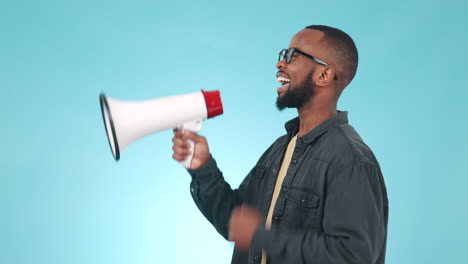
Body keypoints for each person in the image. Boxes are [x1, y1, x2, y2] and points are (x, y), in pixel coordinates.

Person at [172, 25, 388, 264]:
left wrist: (263, 237)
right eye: (282, 54)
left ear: (324, 75)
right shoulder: (280, 149)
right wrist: (202, 167)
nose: (280, 64)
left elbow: (352, 257)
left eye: (292, 56)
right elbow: (234, 223)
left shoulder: (349, 161)